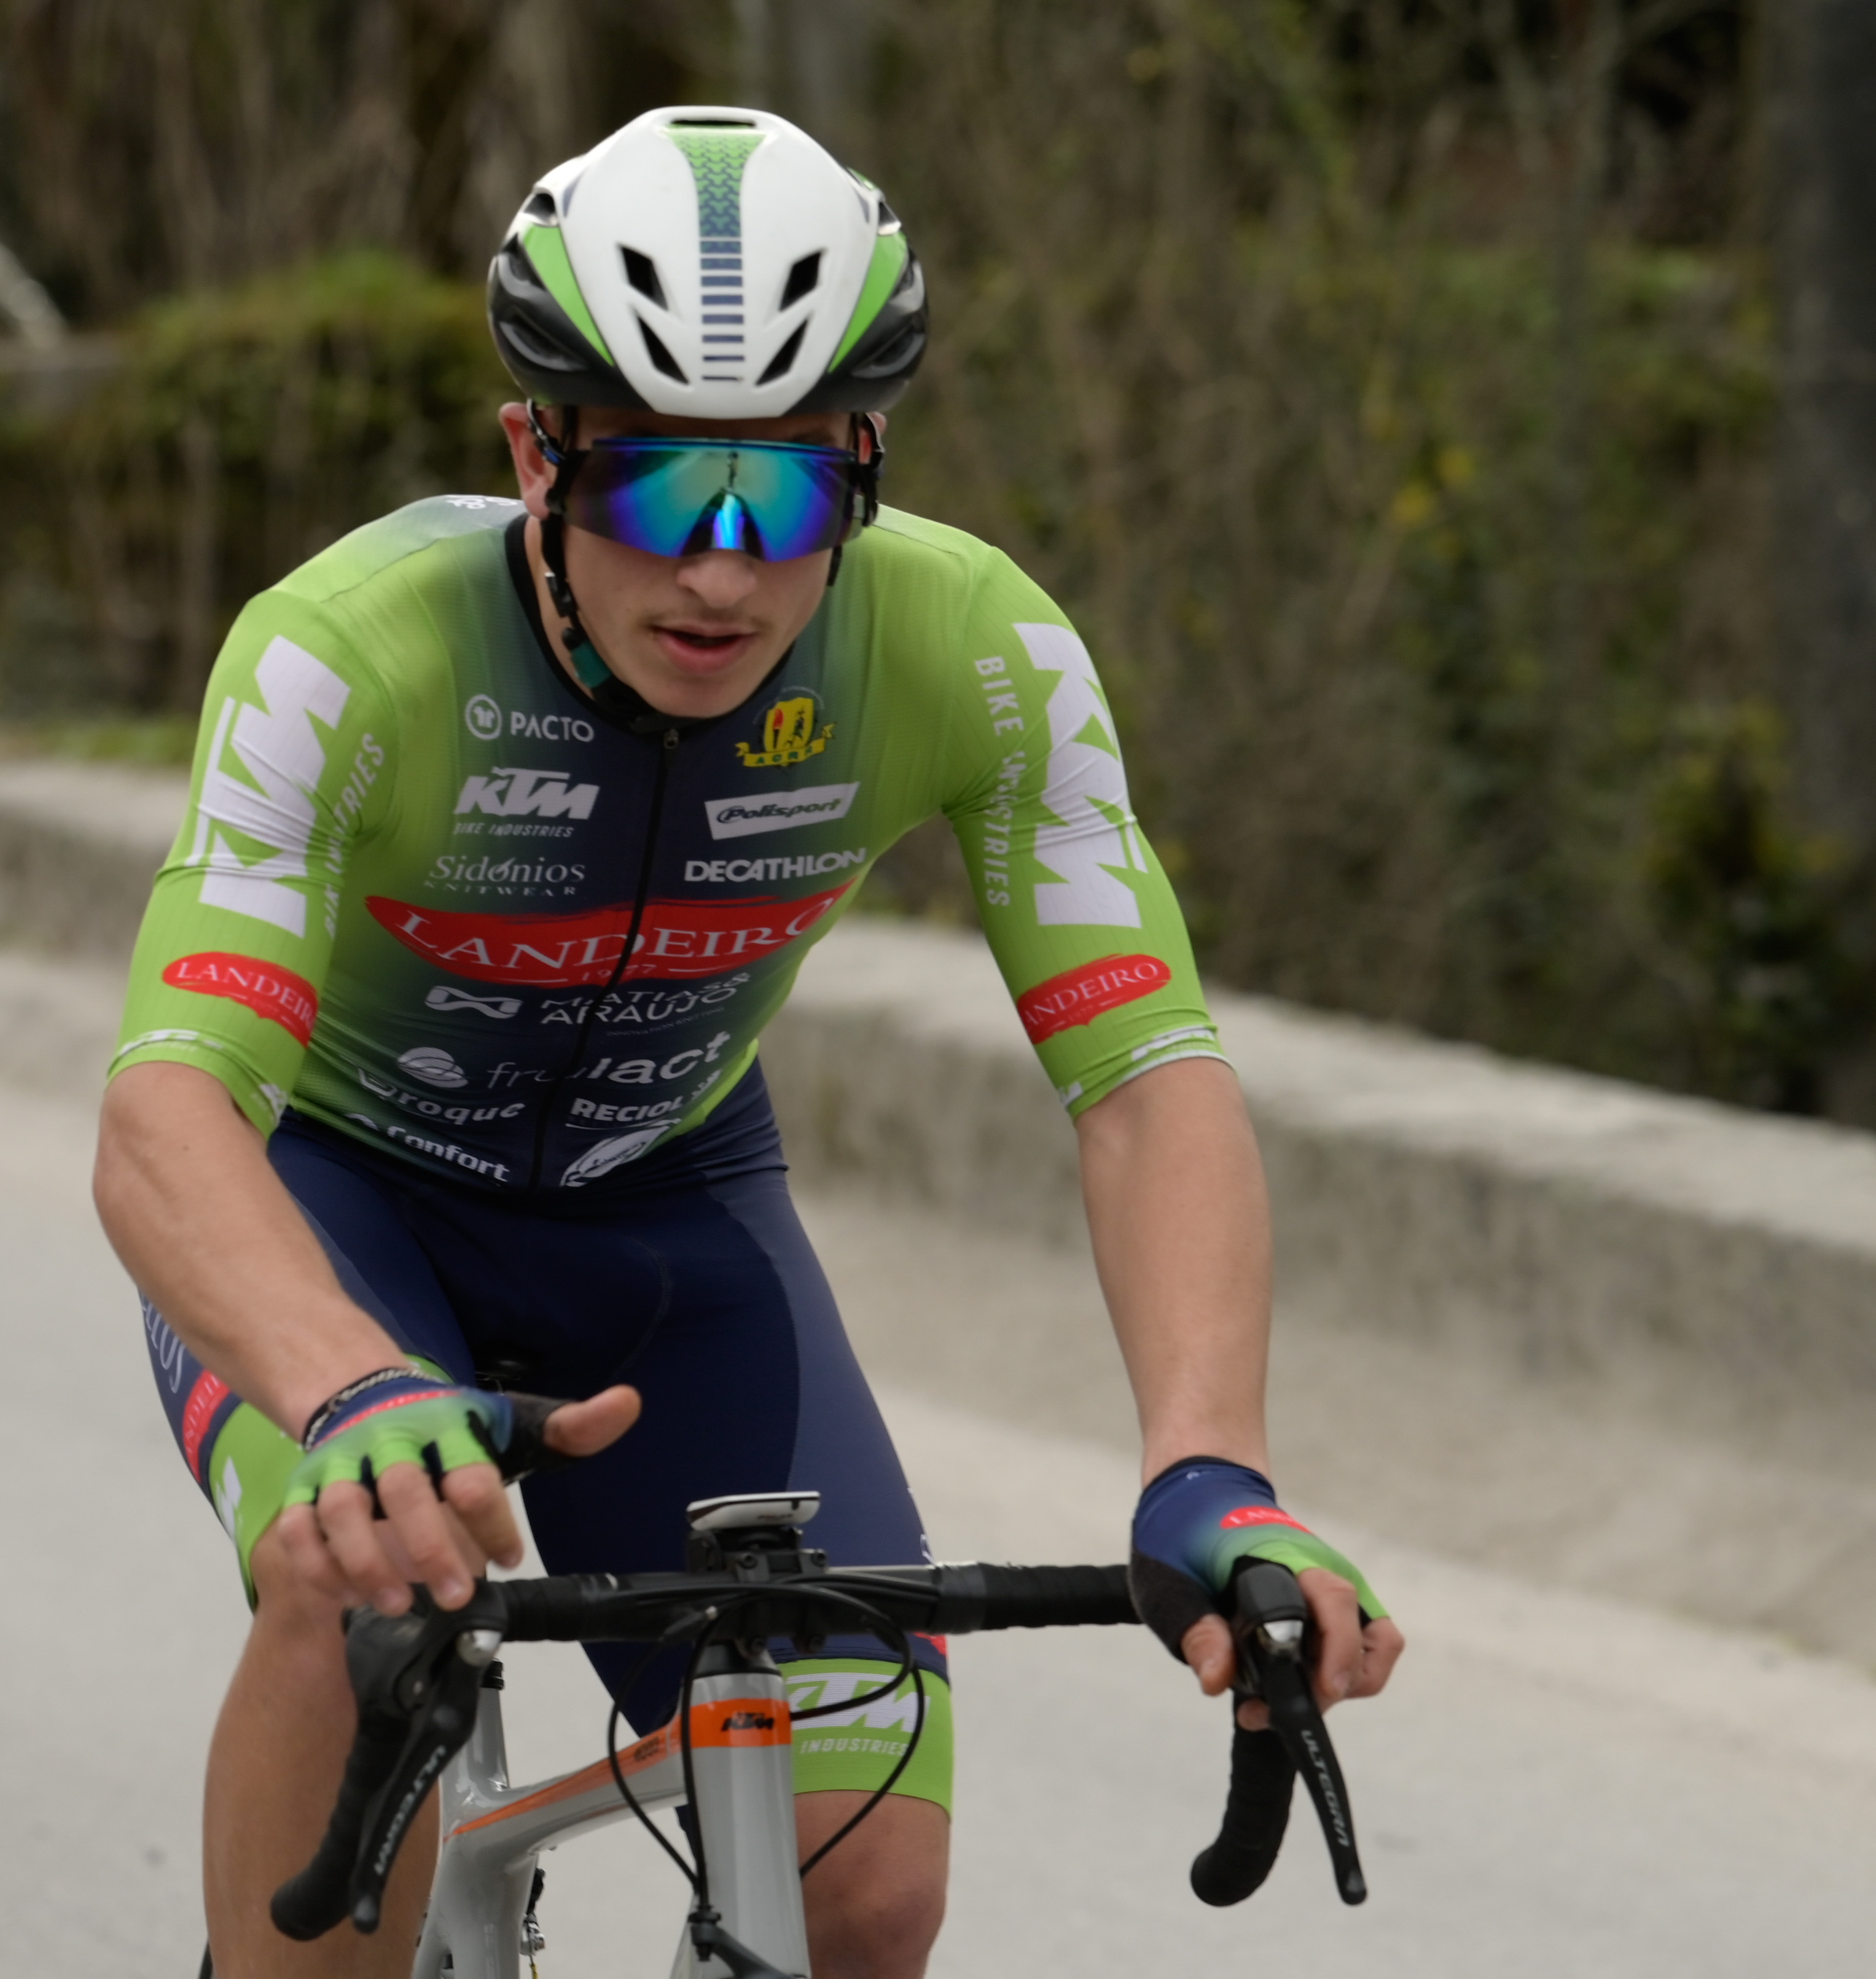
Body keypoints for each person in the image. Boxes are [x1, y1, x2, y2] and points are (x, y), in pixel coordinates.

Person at [94, 105, 1405, 1978]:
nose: (716, 575)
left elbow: (1141, 1075)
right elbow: (166, 1110)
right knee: (362, 1568)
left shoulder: (973, 647)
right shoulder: (345, 653)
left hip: (670, 1211)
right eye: (650, 491)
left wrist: (1210, 1470)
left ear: (862, 475)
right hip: (337, 1203)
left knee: (862, 1896)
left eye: (780, 501)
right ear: (531, 456)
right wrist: (346, 1391)